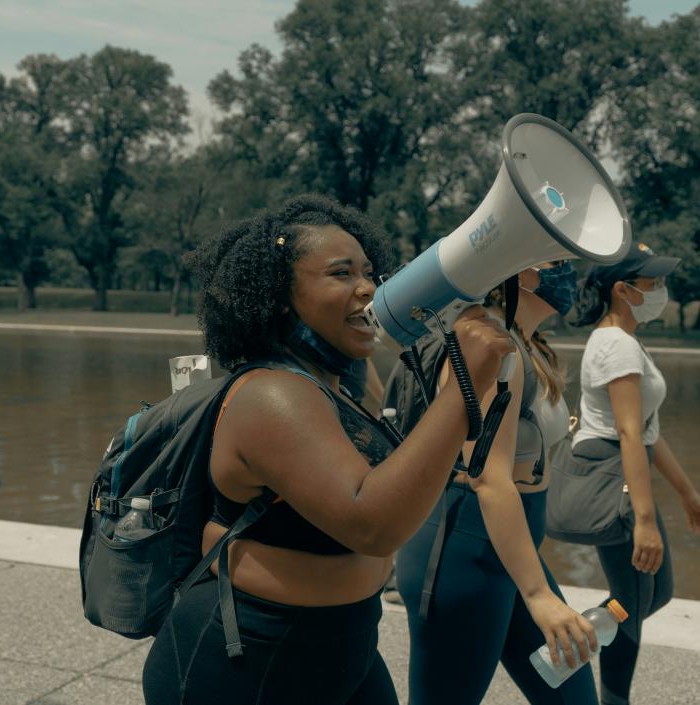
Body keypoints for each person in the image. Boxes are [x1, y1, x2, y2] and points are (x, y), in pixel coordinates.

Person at [141, 194, 514, 705]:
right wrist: (463, 386)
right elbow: (373, 525)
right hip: (248, 660)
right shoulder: (271, 395)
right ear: (278, 298)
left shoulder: (329, 385)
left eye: (369, 271)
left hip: (346, 643)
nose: (369, 288)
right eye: (341, 274)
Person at [386, 261, 600, 705]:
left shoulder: (524, 343)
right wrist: (538, 594)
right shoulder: (486, 343)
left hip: (505, 550)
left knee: (575, 697)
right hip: (462, 552)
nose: (568, 272)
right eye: (554, 262)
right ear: (518, 271)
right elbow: (487, 477)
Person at [569, 243, 700, 705]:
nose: (662, 290)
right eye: (654, 283)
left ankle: (575, 634)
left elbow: (646, 430)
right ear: (623, 290)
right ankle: (611, 695)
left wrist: (687, 493)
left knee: (653, 592)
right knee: (633, 595)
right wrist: (644, 521)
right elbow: (627, 434)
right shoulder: (616, 345)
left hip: (626, 473)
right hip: (617, 480)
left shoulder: (625, 341)